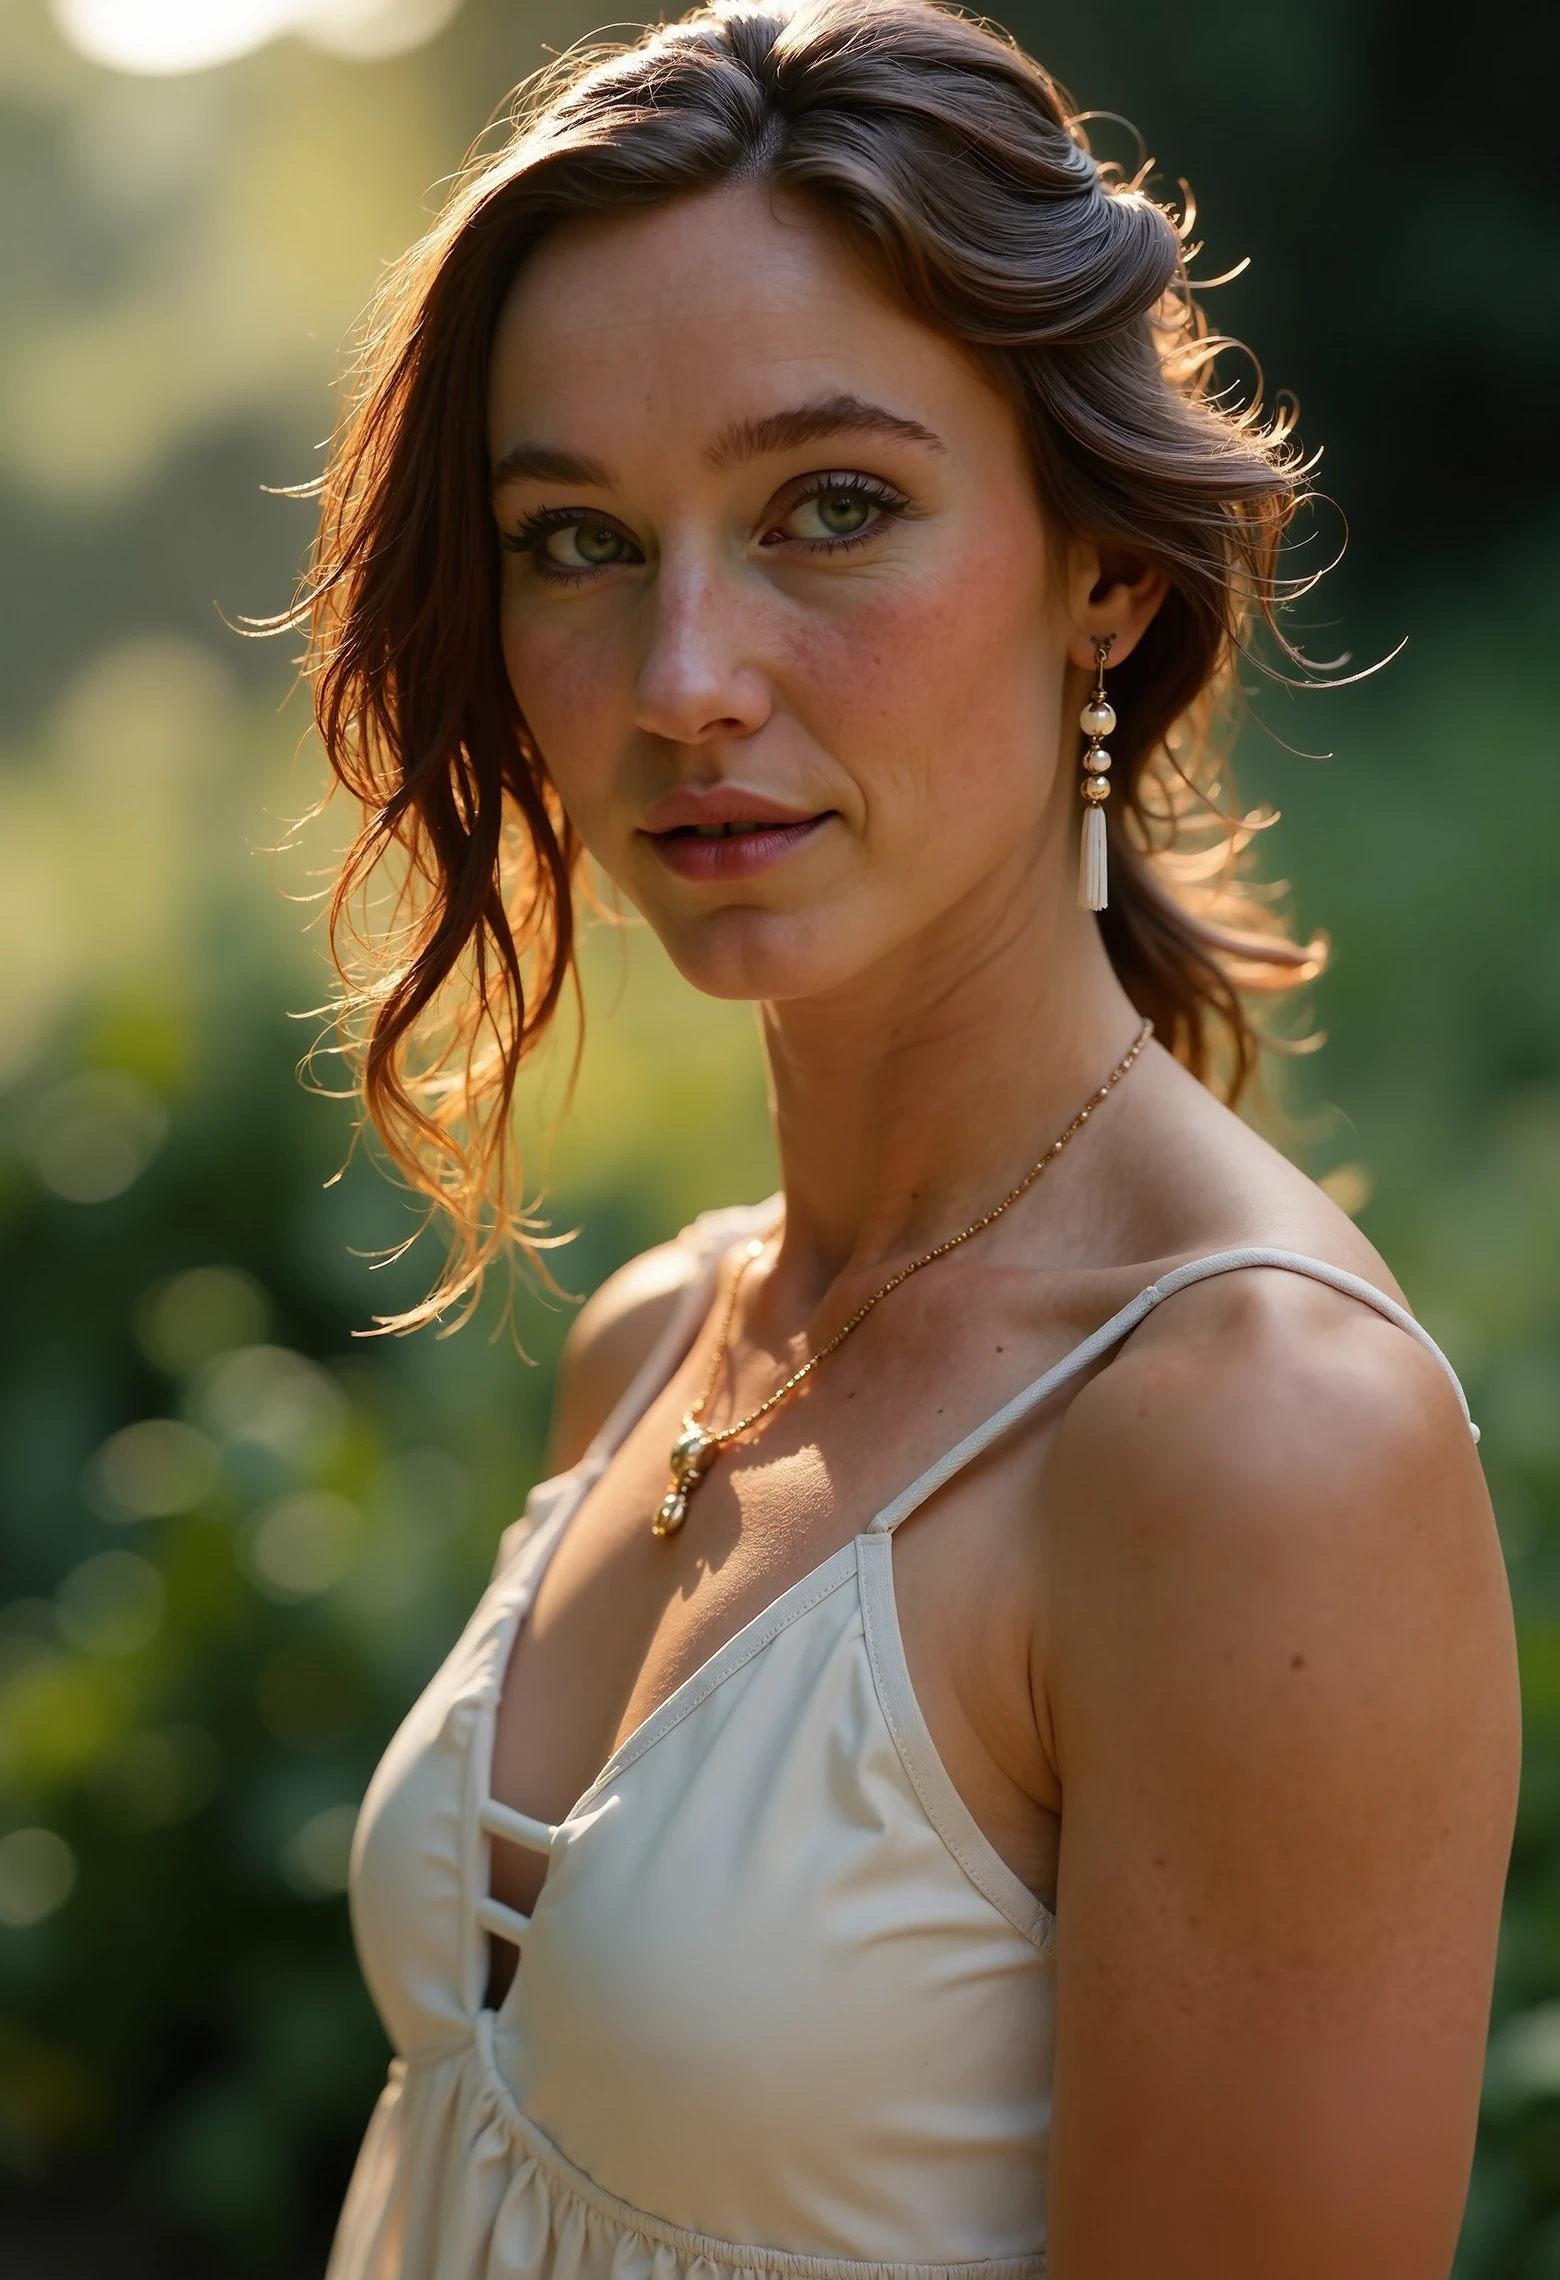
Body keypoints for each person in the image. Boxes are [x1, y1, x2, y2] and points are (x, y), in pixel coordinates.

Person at [301, 5, 1519, 2275]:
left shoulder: (1256, 1449)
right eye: (575, 539)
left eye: (829, 510)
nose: (682, 677)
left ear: (1105, 579)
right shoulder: (663, 1338)